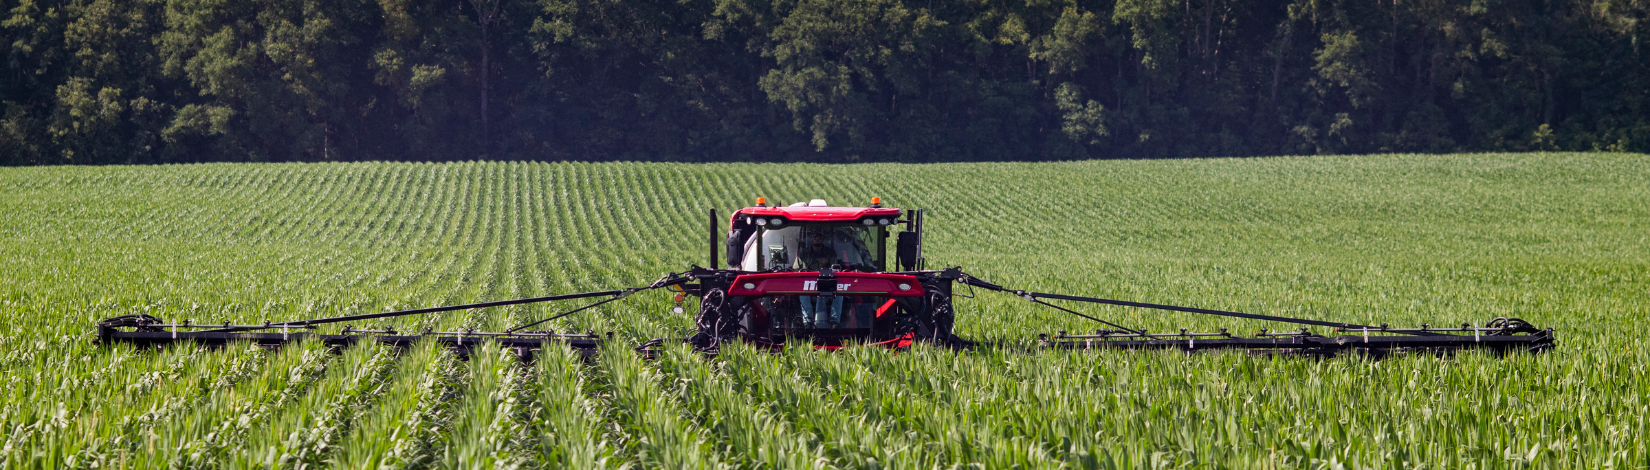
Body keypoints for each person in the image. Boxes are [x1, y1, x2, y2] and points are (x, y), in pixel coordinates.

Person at [797, 229, 844, 328]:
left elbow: (835, 270)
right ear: (811, 238)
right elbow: (797, 270)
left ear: (823, 238)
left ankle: (834, 321)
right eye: (815, 236)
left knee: (841, 292)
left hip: (828, 286)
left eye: (820, 236)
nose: (817, 238)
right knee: (802, 292)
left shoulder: (831, 253)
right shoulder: (803, 254)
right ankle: (807, 322)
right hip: (808, 286)